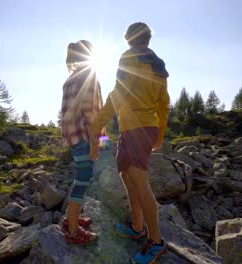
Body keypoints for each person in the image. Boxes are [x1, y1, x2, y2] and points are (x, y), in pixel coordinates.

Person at [89, 22, 170, 263]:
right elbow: (163, 104)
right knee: (126, 176)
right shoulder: (159, 64)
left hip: (136, 129)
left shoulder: (129, 57)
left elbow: (118, 93)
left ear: (128, 39)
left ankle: (156, 243)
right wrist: (160, 133)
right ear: (147, 38)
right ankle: (137, 227)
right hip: (138, 129)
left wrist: (96, 124)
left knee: (141, 184)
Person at [61, 40, 104, 245]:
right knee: (83, 178)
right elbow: (93, 115)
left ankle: (70, 219)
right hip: (85, 137)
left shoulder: (70, 79)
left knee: (81, 176)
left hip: (73, 136)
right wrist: (98, 143)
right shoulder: (90, 77)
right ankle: (73, 231)